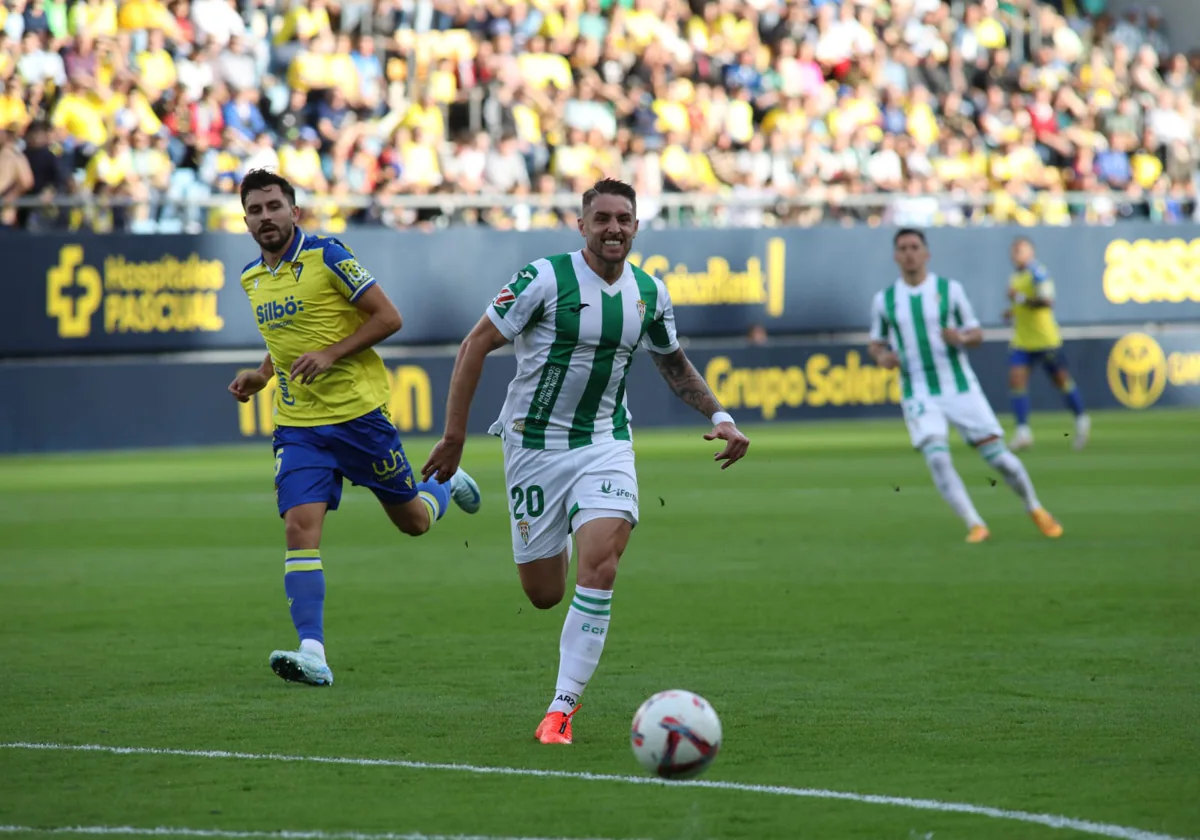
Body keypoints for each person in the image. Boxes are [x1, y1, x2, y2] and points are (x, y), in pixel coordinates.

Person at [421, 177, 750, 745]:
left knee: (602, 565)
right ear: (582, 225)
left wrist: (719, 414)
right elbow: (475, 344)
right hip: (533, 447)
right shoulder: (544, 279)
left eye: (624, 218)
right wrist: (454, 438)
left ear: (638, 226)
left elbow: (673, 365)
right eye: (602, 219)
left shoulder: (649, 292)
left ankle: (560, 710)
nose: (614, 228)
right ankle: (488, 500)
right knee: (544, 594)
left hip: (605, 442)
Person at [227, 169, 482, 688]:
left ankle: (442, 485)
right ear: (246, 220)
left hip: (359, 418)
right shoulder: (252, 278)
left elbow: (389, 317)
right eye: (255, 210)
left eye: (274, 206)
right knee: (299, 529)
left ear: (293, 211)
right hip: (299, 426)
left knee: (413, 522)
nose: (265, 217)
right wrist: (261, 375)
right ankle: (313, 652)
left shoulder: (327, 256)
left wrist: (332, 354)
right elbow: (288, 343)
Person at [868, 228, 1063, 544]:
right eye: (902, 248)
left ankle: (1035, 507)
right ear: (895, 256)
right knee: (937, 457)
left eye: (914, 247)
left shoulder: (949, 290)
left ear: (926, 253)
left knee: (1001, 460)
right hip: (918, 390)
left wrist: (961, 337)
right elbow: (875, 342)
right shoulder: (885, 300)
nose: (909, 253)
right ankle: (975, 524)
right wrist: (881, 357)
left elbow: (976, 333)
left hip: (959, 387)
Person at [1004, 237, 1090, 451]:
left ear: (1031, 252)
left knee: (1061, 380)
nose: (1016, 254)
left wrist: (1021, 300)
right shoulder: (1016, 276)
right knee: (1016, 380)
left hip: (1044, 339)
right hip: (1022, 340)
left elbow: (1047, 301)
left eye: (1020, 250)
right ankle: (1023, 431)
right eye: (1014, 250)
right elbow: (1022, 305)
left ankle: (1081, 418)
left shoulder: (1038, 273)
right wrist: (1013, 311)